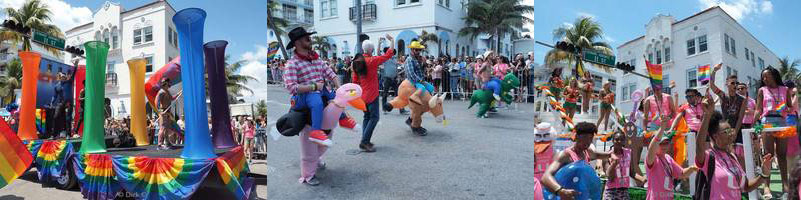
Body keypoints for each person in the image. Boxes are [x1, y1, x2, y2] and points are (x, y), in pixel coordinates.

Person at [695, 89, 774, 199]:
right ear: (715, 136)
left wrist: (764, 174)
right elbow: (699, 145)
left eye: (731, 129)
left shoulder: (732, 157)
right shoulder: (708, 157)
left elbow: (746, 187)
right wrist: (707, 115)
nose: (732, 133)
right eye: (726, 131)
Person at [283, 27, 352, 148]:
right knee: (315, 99)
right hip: (303, 97)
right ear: (297, 42)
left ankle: (343, 118)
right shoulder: (292, 63)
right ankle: (315, 131)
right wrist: (313, 87)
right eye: (307, 38)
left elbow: (331, 74)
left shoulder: (316, 58)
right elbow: (291, 88)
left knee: (336, 97)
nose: (310, 40)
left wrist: (339, 89)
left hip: (320, 92)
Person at [541, 122, 611, 199]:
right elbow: (545, 177)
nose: (588, 141)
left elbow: (598, 155)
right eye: (585, 137)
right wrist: (561, 191)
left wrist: (615, 152)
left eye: (590, 138)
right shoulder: (565, 155)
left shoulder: (587, 151)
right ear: (577, 137)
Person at [754, 67, 795, 197]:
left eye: (767, 76)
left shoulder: (784, 90)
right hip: (767, 123)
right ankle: (766, 187)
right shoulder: (762, 90)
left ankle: (785, 185)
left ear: (774, 76)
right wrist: (754, 126)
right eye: (763, 77)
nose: (764, 79)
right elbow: (758, 109)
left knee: (782, 156)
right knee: (768, 156)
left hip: (782, 123)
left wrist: (783, 108)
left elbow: (789, 106)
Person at [352, 35, 395, 152]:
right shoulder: (372, 60)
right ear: (370, 50)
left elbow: (355, 80)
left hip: (362, 94)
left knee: (366, 117)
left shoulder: (357, 61)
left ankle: (365, 140)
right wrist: (392, 41)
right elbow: (388, 55)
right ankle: (364, 142)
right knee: (374, 118)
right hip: (372, 94)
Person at [644, 116, 698, 199]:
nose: (664, 146)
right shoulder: (652, 158)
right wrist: (662, 128)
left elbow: (682, 174)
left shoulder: (667, 157)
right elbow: (652, 148)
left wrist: (692, 168)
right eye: (661, 143)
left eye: (666, 143)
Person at [604, 131, 646, 200]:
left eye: (622, 140)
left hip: (624, 191)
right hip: (611, 191)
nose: (619, 141)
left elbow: (631, 172)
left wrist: (642, 179)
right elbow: (609, 177)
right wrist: (614, 164)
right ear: (612, 140)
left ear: (624, 141)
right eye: (617, 139)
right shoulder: (607, 155)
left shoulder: (629, 153)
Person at [379, 47, 408, 115]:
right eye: (390, 51)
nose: (391, 53)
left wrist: (397, 77)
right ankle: (384, 109)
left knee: (399, 94)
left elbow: (396, 69)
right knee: (385, 94)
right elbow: (378, 53)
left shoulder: (395, 59)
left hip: (394, 78)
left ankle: (401, 109)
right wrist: (379, 43)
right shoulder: (385, 58)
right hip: (387, 78)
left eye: (392, 52)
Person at [156, 78, 181, 150]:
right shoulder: (161, 92)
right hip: (163, 111)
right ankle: (159, 145)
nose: (170, 84)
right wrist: (160, 112)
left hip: (168, 112)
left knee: (166, 128)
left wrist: (178, 93)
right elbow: (157, 102)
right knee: (162, 128)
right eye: (169, 82)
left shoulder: (167, 91)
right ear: (165, 83)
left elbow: (172, 98)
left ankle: (167, 143)